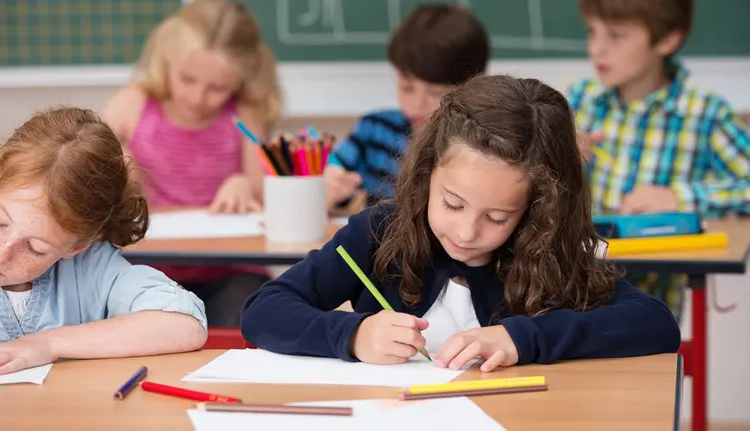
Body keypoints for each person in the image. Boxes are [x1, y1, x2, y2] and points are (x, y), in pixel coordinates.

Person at [242, 75, 681, 371]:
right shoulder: (379, 232)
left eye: (497, 217)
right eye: (452, 205)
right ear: (428, 174)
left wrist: (521, 339)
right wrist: (353, 335)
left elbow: (655, 324)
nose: (468, 233)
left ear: (537, 209)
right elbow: (263, 311)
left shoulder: (549, 250)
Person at [0, 107, 207, 375]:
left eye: (36, 248)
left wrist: (47, 344)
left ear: (78, 246)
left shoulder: (91, 268)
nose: (1, 252)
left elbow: (185, 324)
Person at [104, 0, 282, 327]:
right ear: (166, 61)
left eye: (217, 88)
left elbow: (263, 196)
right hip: (148, 268)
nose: (198, 98)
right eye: (187, 79)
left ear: (241, 80)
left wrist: (245, 186)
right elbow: (85, 169)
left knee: (250, 316)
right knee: (140, 321)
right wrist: (122, 181)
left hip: (232, 272)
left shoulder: (245, 114)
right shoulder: (133, 105)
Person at [568, 0, 750, 320]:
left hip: (647, 305)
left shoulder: (703, 114)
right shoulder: (581, 101)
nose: (596, 49)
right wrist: (563, 160)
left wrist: (679, 198)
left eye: (616, 36)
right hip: (572, 293)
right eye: (591, 32)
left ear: (667, 40)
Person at [325, 3, 490, 209]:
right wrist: (332, 182)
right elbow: (336, 174)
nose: (416, 105)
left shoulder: (481, 144)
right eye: (406, 87)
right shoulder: (374, 129)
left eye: (436, 93)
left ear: (472, 85)